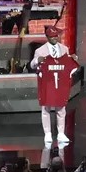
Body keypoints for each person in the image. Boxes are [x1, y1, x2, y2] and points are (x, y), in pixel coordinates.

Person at [33, 23, 79, 155]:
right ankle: (47, 133)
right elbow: (32, 64)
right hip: (47, 82)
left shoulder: (64, 49)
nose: (54, 39)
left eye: (56, 36)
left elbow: (70, 64)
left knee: (61, 108)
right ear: (47, 37)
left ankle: (61, 133)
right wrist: (37, 61)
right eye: (52, 37)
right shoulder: (40, 51)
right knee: (46, 108)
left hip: (61, 82)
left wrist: (75, 59)